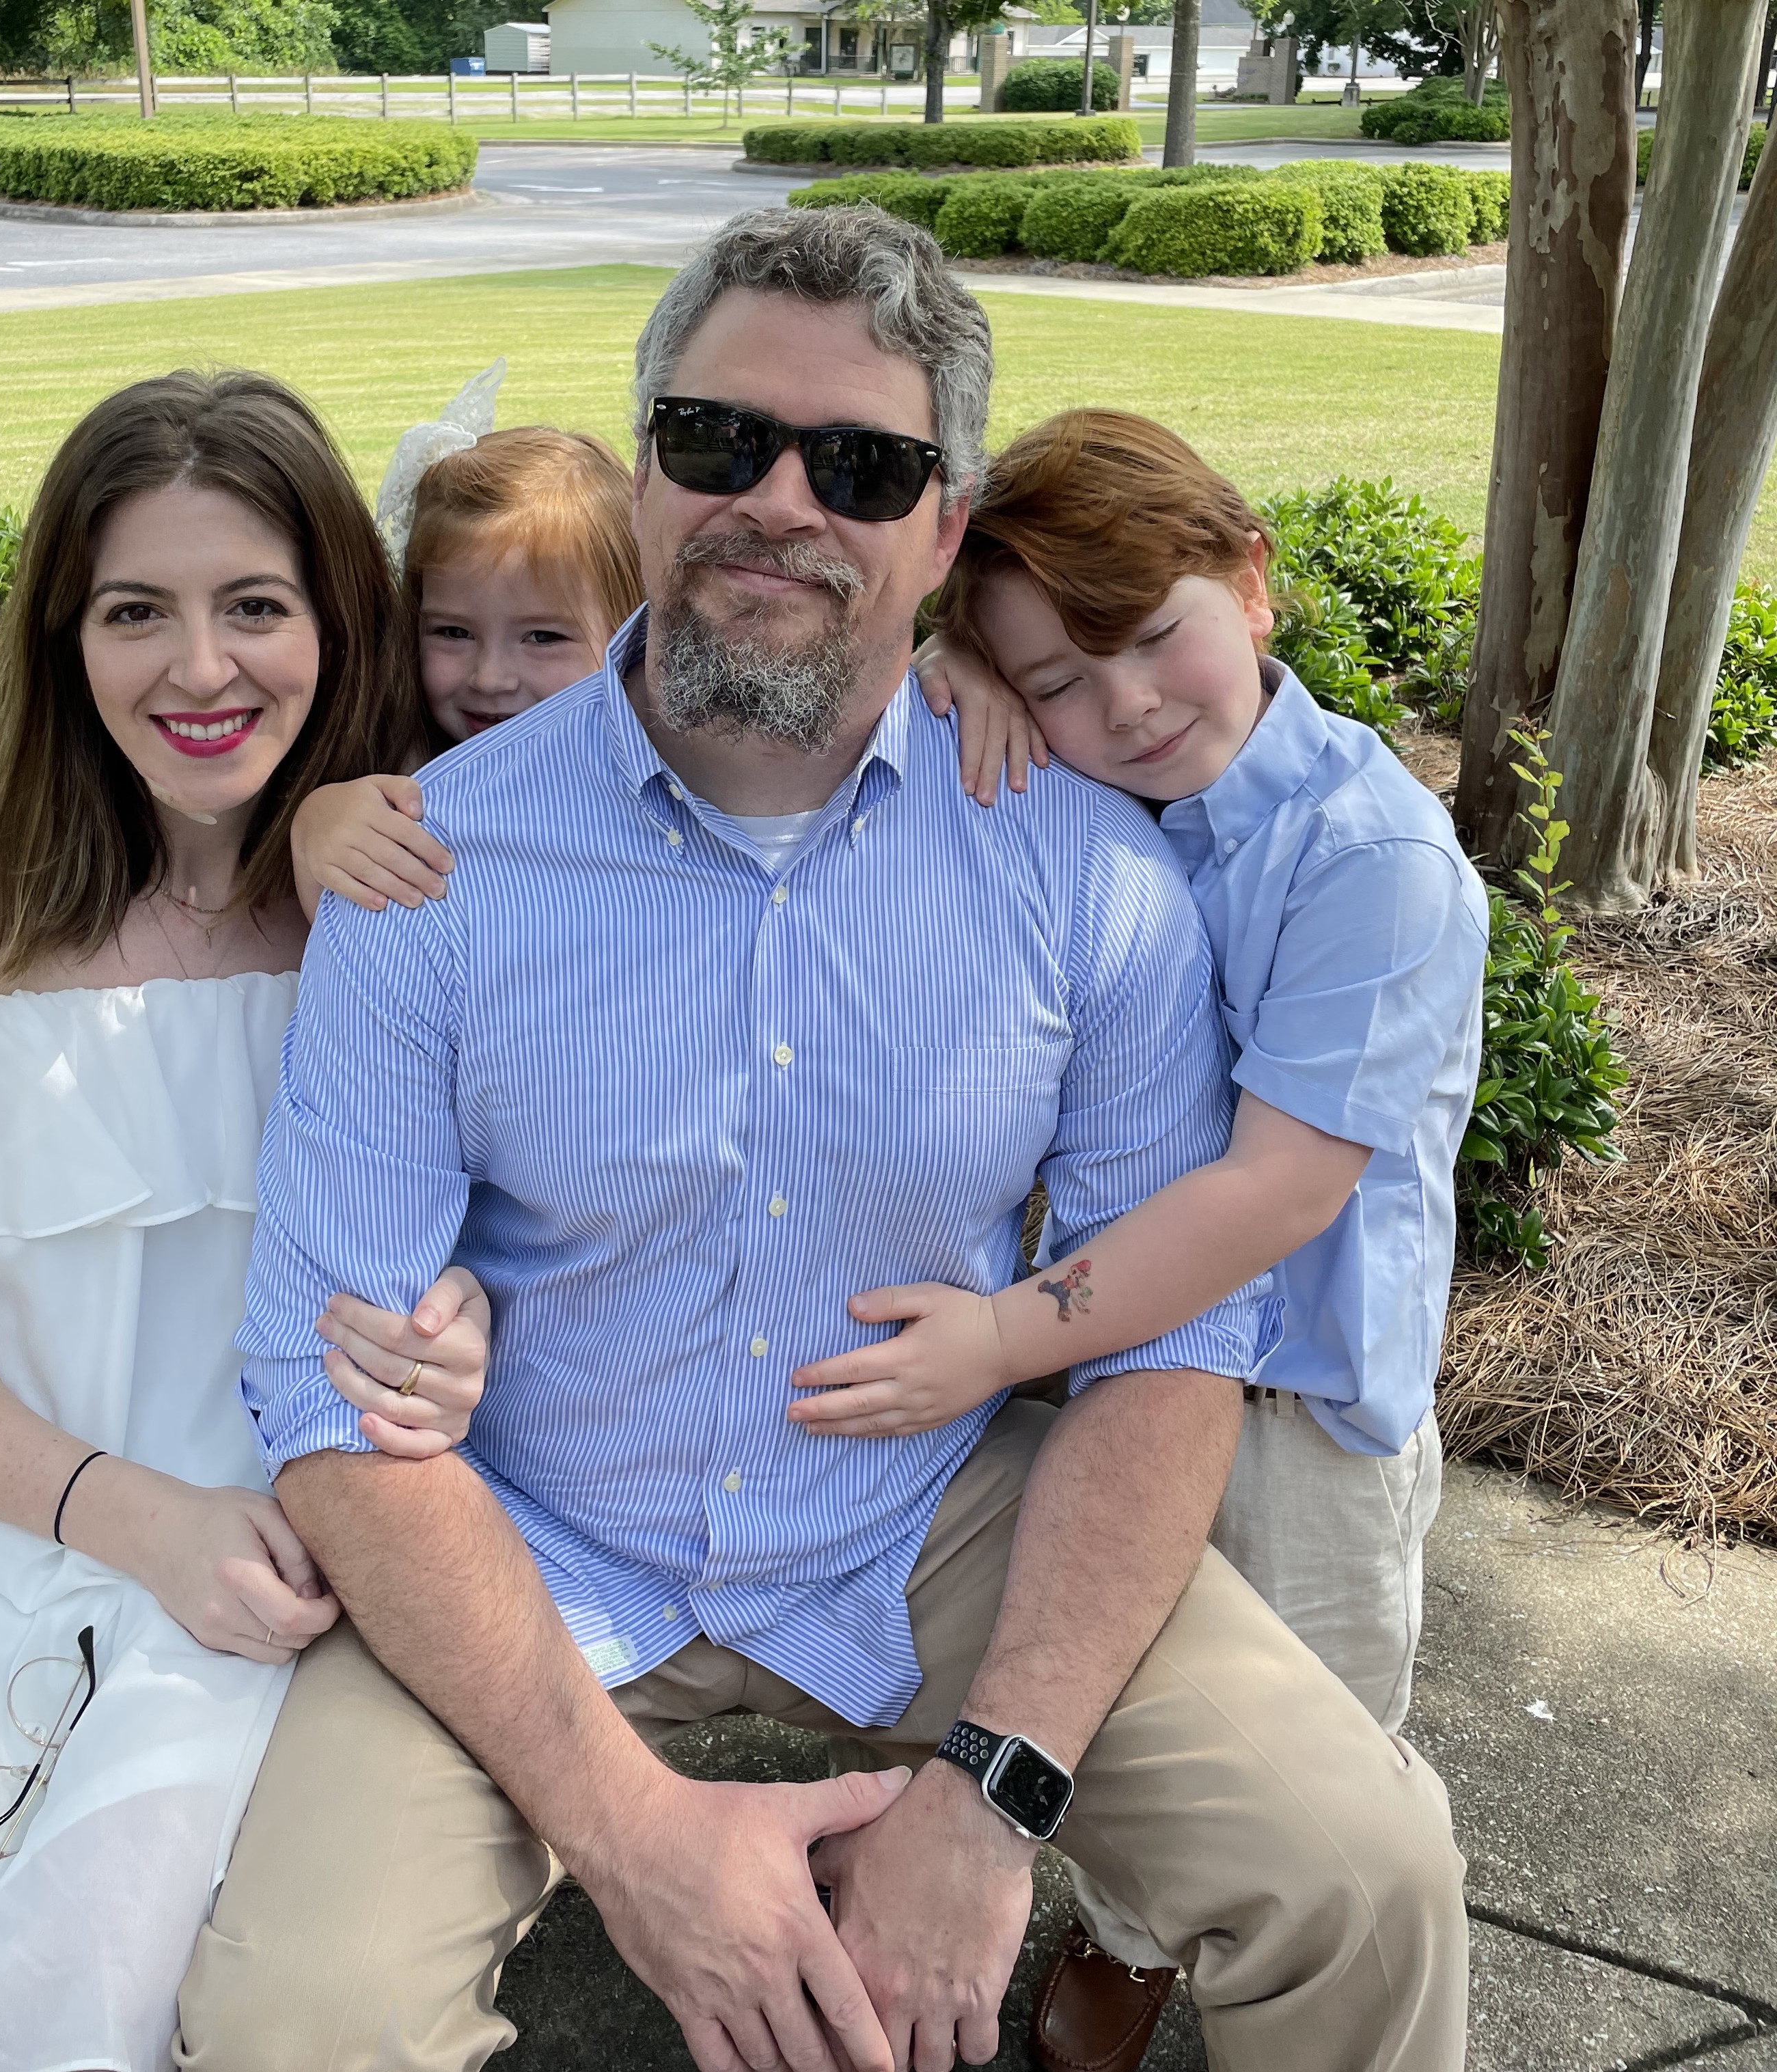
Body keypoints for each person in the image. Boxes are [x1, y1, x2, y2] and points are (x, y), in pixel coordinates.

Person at [181, 206, 1468, 2072]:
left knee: (1367, 1880)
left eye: (860, 467)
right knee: (297, 2021)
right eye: (719, 440)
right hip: (533, 1528)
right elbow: (326, 1386)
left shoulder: (1089, 877)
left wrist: (996, 1797)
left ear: (943, 533)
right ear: (642, 472)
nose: (779, 503)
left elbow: (1172, 1338)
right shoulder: (428, 867)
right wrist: (635, 1838)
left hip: (922, 1516)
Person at [0, 370, 487, 2071]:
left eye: (256, 606)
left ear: (339, 621)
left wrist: (464, 1321)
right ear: (65, 637)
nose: (199, 669)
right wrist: (134, 1522)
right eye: (136, 611)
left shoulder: (396, 901)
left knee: (118, 1958)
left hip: (282, 1546)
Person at [817, 407, 1486, 2066]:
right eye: (1057, 676)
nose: (1121, 704)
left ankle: (1252, 1947)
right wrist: (950, 671)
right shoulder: (1093, 786)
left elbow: (1273, 1195)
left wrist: (999, 1336)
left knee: (1311, 1726)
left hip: (1300, 1406)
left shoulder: (1372, 860)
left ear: (1252, 581)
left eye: (1149, 637)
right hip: (1131, 1368)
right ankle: (1128, 1927)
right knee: (1112, 1686)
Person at [292, 404, 642, 922]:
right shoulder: (401, 795)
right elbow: (340, 938)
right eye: (453, 632)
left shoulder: (660, 791)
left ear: (631, 631)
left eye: (543, 637)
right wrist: (316, 827)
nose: (490, 678)